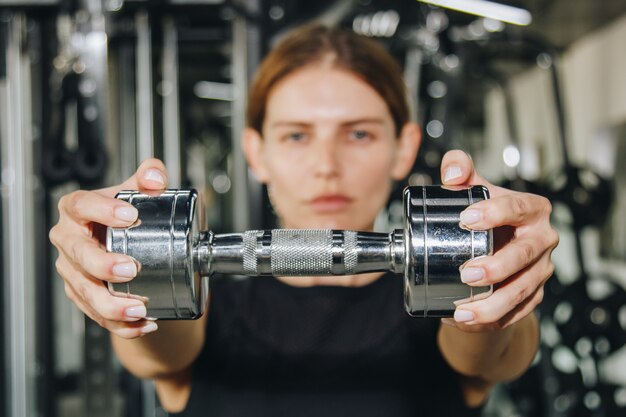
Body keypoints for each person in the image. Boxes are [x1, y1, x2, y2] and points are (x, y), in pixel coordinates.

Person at [50, 24, 558, 416]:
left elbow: (496, 353)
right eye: (297, 135)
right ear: (257, 152)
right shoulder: (205, 305)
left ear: (403, 149)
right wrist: (117, 264)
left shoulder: (442, 302)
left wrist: (496, 275)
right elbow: (152, 351)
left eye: (358, 134)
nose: (326, 166)